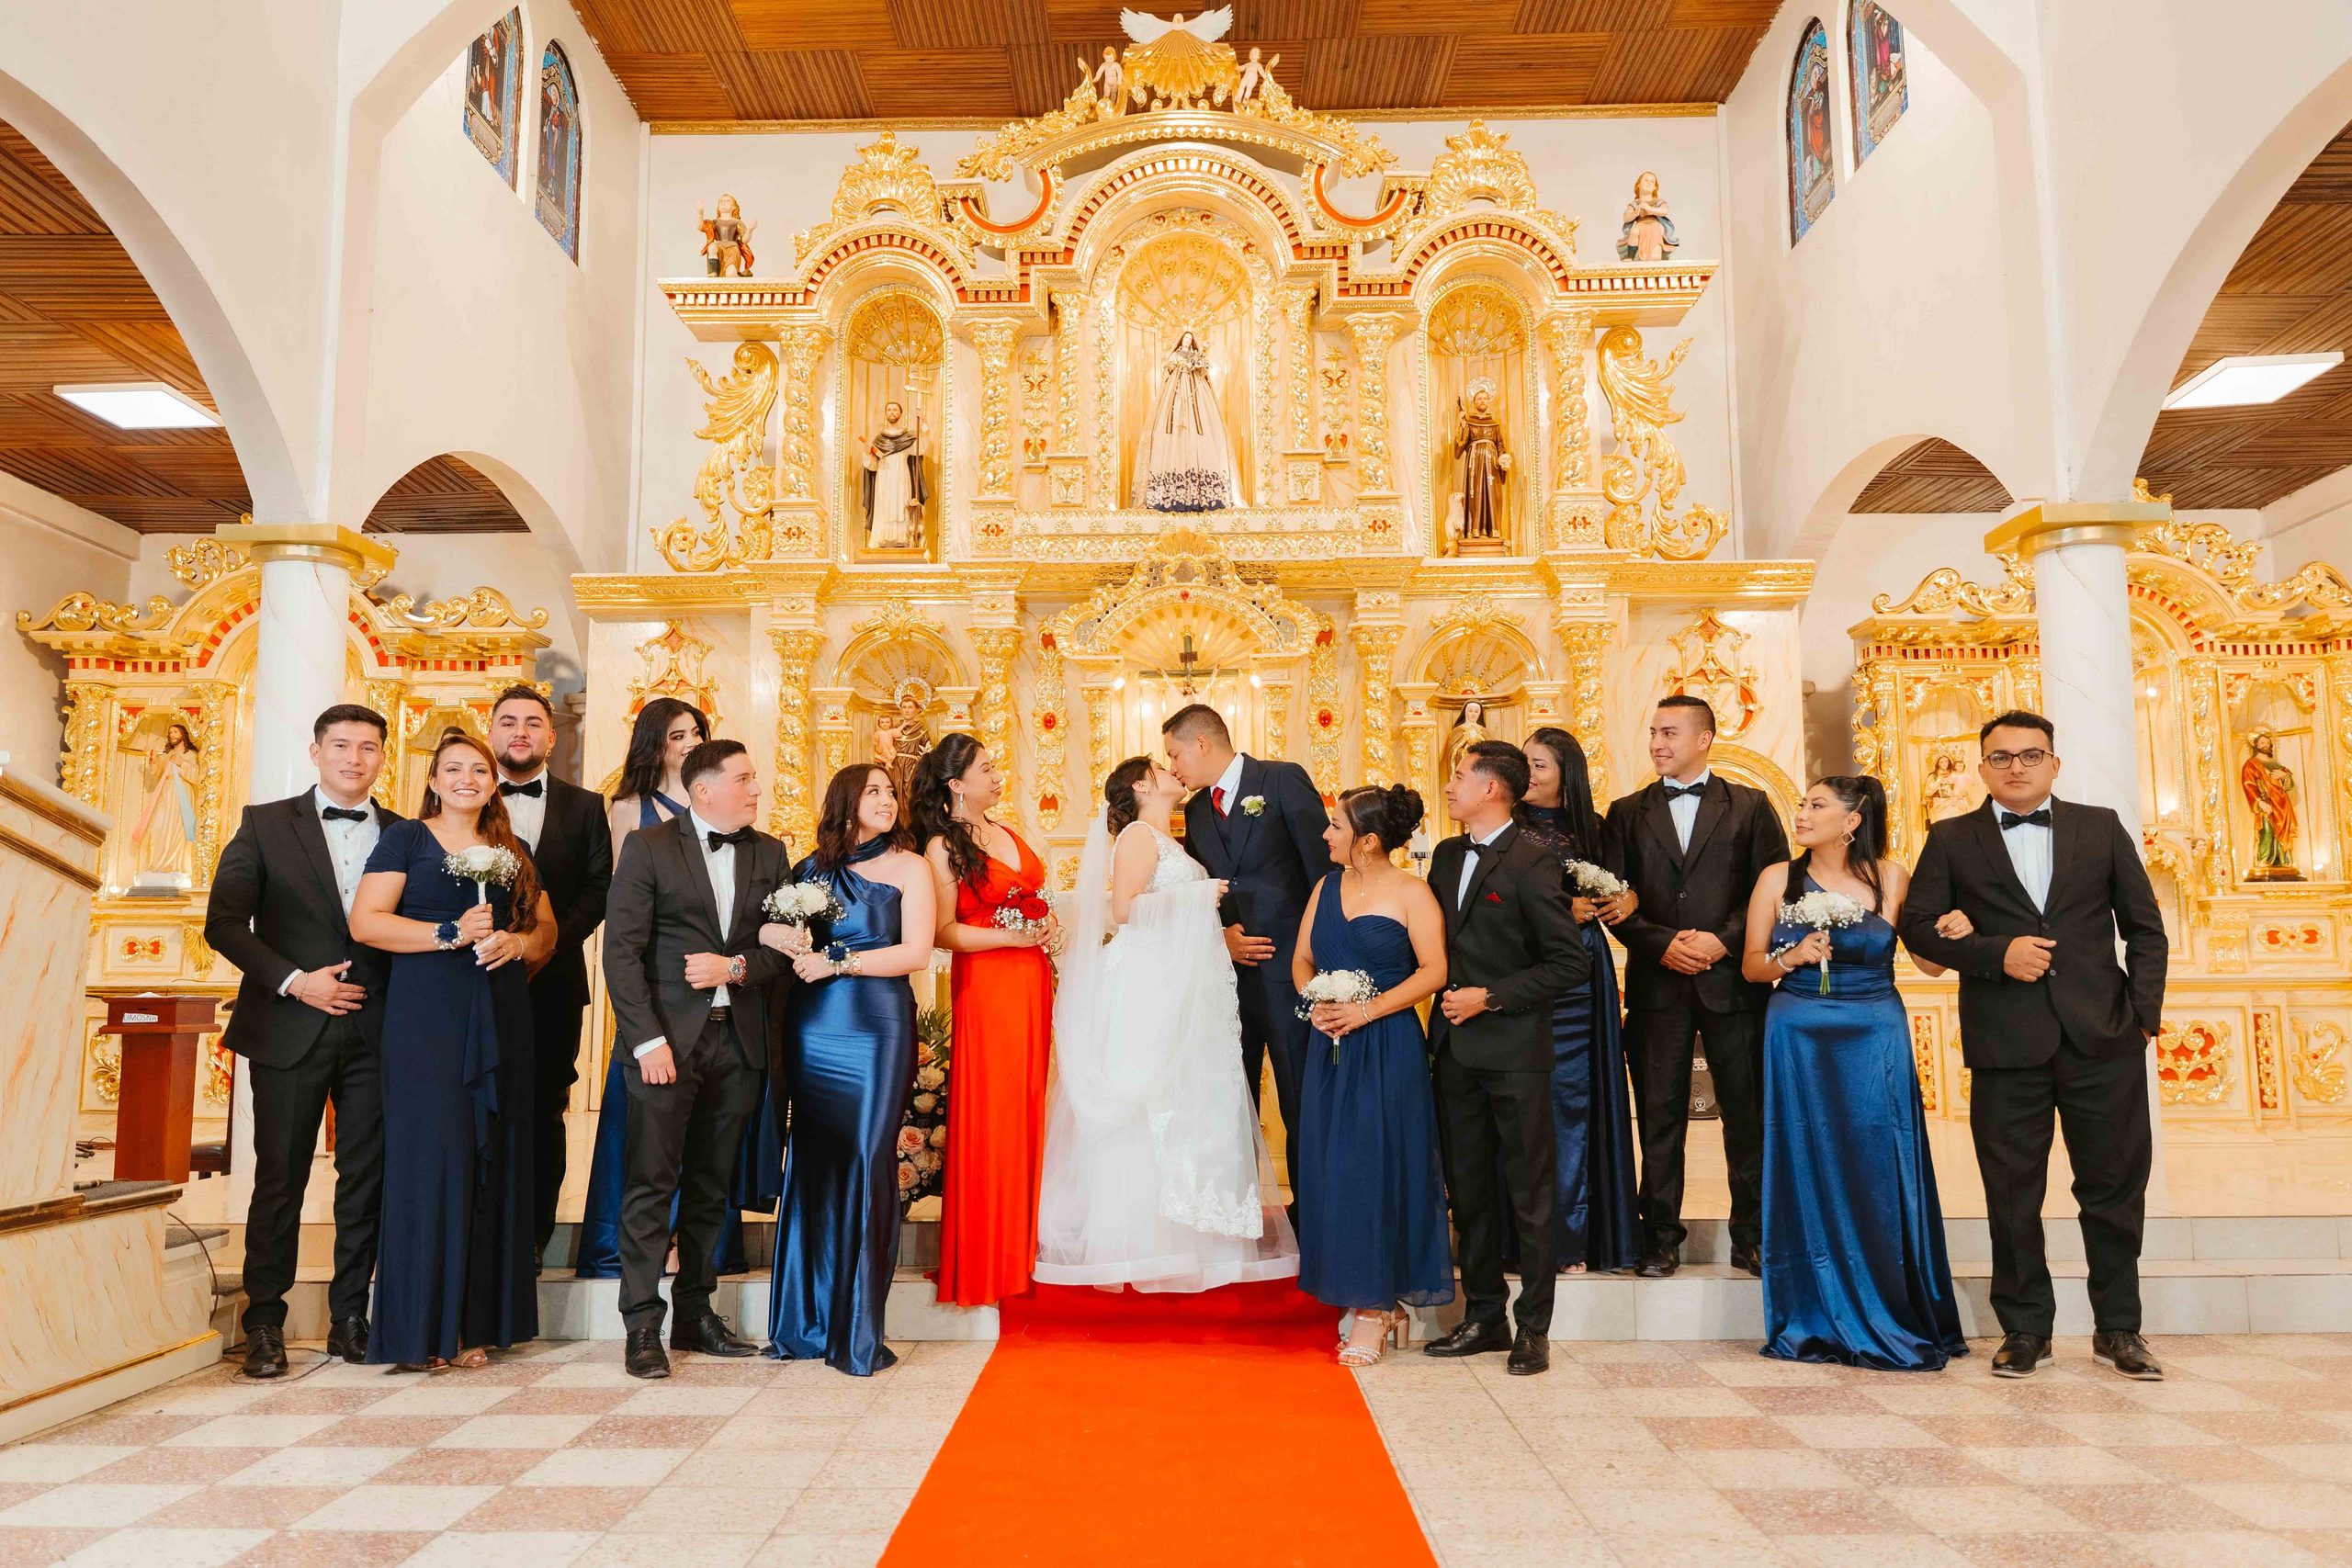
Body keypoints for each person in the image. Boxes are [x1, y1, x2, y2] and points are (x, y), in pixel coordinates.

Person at [1900, 711, 2170, 1381]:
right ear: (1982, 766)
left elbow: (2145, 928)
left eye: (2029, 754)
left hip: (2102, 1038)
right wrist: (1995, 953)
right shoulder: (1952, 837)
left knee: (2112, 1188)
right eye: (2000, 757)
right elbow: (1918, 927)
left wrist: (2141, 1018)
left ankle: (2119, 1327)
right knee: (2012, 1192)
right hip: (2005, 1042)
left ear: (2054, 763)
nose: (2015, 766)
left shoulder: (2099, 826)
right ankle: (2024, 1328)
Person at [1036, 757, 1299, 1292]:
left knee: (1185, 1100)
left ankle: (1189, 1235)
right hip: (1148, 981)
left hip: (1182, 981)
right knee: (1152, 1098)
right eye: (1162, 767)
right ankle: (1141, 1240)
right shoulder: (1136, 834)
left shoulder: (1171, 840)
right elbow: (1126, 909)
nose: (1175, 772)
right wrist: (1200, 895)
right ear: (1141, 785)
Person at [1741, 776, 1968, 1371]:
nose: (1802, 812)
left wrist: (1952, 933)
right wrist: (1791, 956)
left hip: (1874, 1032)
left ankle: (1890, 1301)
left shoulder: (1891, 878)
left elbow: (1929, 966)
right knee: (1806, 1158)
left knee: (1879, 1158)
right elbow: (1751, 967)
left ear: (1852, 820)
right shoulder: (1776, 878)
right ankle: (1812, 1314)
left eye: (1816, 805)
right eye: (1802, 803)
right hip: (1799, 1032)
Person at [350, 730, 555, 1370]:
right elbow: (367, 922)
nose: (468, 778)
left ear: (494, 782)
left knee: (490, 1159)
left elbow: (546, 927)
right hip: (427, 1017)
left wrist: (518, 945)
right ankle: (420, 1333)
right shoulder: (405, 840)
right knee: (432, 1160)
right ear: (433, 780)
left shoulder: (509, 848)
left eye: (480, 770)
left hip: (499, 1013)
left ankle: (471, 1326)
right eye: (454, 769)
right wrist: (448, 932)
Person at [206, 704, 400, 1375]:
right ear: (315, 751)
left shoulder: (404, 832)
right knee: (280, 1177)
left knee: (366, 1178)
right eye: (341, 745)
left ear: (382, 757)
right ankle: (264, 1320)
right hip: (289, 1024)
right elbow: (225, 922)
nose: (354, 757)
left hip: (378, 1030)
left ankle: (351, 1315)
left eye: (368, 747)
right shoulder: (264, 823)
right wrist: (295, 980)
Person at [602, 739, 793, 1379]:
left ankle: (695, 1312)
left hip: (738, 1041)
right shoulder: (649, 847)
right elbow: (620, 951)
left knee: (713, 1185)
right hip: (665, 1044)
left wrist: (737, 966)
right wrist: (646, 1039)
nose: (756, 789)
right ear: (702, 788)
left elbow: (785, 948)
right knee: (651, 1183)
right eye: (744, 778)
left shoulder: (770, 853)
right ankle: (640, 1325)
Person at [1601, 694, 1790, 1280]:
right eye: (1653, 732)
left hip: (1734, 984)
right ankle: (1659, 1238)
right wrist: (1660, 943)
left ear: (1705, 738)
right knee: (1658, 1117)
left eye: (1670, 733)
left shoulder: (1751, 806)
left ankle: (1752, 1235)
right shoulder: (1625, 812)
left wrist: (1723, 940)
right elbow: (1611, 897)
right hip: (1659, 985)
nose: (1658, 743)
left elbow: (1776, 886)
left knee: (1747, 1113)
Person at [1422, 741, 1587, 1377]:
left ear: (1492, 788)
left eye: (1460, 775)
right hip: (1454, 1050)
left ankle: (1534, 1328)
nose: (1451, 784)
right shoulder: (1444, 854)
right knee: (1469, 1190)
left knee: (1530, 1194)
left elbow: (1567, 962)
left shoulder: (1534, 861)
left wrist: (1490, 996)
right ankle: (1484, 1313)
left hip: (1515, 1050)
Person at [766, 764, 937, 1374]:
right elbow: (775, 928)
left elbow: (916, 951)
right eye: (874, 791)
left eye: (891, 792)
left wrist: (838, 962)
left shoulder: (910, 866)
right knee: (814, 1159)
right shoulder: (812, 867)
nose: (887, 800)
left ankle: (858, 1331)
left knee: (868, 1159)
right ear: (845, 801)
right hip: (815, 1026)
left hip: (877, 1025)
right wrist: (776, 934)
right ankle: (805, 1322)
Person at [1291, 784, 1453, 1366]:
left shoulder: (1412, 892)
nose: (1327, 834)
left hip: (1387, 1044)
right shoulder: (1324, 887)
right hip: (1329, 1043)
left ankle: (1377, 1307)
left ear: (1369, 840)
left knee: (1380, 1163)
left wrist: (1365, 1009)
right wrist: (1321, 1002)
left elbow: (1434, 970)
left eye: (1336, 826)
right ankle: (1356, 1287)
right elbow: (1302, 958)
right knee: (1332, 1164)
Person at [576, 698, 730, 1280]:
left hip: (712, 986)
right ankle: (632, 1243)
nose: (688, 743)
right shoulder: (629, 810)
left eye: (696, 733)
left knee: (706, 1123)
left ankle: (697, 1245)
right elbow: (625, 911)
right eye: (676, 736)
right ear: (654, 744)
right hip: (656, 982)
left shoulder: (720, 805)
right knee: (643, 1124)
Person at [1166, 703, 1327, 1222]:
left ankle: (1314, 1218)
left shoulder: (1282, 781)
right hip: (1227, 977)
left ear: (1202, 744)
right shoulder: (1193, 812)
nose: (1173, 768)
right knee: (1229, 1100)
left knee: (1300, 1098)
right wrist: (1222, 937)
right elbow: (1199, 890)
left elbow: (1324, 876)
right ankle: (1233, 1216)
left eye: (1175, 754)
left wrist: (1314, 960)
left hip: (1291, 974)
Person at [914, 733, 1056, 1309]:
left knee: (1033, 1103)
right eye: (988, 769)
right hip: (989, 987)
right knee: (996, 1110)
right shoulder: (941, 848)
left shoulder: (1009, 831)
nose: (999, 777)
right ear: (956, 784)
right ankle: (991, 1259)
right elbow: (943, 931)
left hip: (1032, 980)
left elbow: (1033, 901)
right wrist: (1012, 936)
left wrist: (1046, 932)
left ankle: (1032, 1246)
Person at [484, 684, 614, 1262]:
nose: (520, 732)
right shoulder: (461, 798)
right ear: (490, 732)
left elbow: (598, 889)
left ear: (551, 736)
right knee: (479, 1104)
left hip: (554, 981)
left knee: (544, 1110)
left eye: (533, 724)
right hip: (471, 979)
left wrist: (543, 948)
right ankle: (477, 1232)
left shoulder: (585, 807)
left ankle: (533, 1240)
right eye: (508, 722)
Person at [1518, 728, 1641, 1275]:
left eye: (1539, 765)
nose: (1529, 775)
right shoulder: (1506, 827)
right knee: (1528, 1102)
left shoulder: (1596, 829)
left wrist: (1625, 897)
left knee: (1576, 1097)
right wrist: (1554, 909)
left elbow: (1625, 887)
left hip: (1580, 971)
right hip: (1521, 963)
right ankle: (1525, 1237)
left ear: (1567, 774)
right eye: (1524, 764)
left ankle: (1578, 1237)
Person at [1134, 330, 1247, 512]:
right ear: (1181, 340)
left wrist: (1196, 365)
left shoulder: (1196, 356)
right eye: (1185, 338)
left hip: (1195, 392)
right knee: (1171, 428)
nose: (1187, 341)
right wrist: (1180, 368)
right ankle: (1169, 493)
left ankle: (1206, 493)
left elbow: (1204, 369)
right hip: (1176, 392)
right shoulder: (1175, 356)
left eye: (1190, 339)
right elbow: (1167, 368)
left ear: (1192, 342)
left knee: (1201, 428)